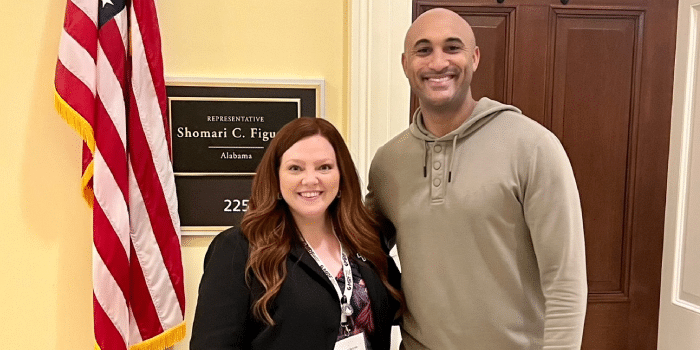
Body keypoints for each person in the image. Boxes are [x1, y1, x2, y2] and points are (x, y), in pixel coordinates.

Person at [365, 8, 588, 350]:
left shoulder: (533, 147)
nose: (438, 63)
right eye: (423, 50)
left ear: (475, 57)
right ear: (406, 63)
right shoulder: (388, 162)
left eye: (452, 48)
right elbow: (358, 252)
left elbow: (565, 281)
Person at [190, 117, 403, 350]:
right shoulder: (238, 249)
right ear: (276, 177)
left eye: (324, 167)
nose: (310, 179)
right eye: (295, 168)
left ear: (341, 176)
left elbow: (403, 310)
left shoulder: (366, 240)